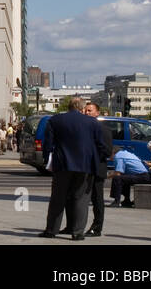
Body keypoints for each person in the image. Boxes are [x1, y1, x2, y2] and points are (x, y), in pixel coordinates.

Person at [40, 96, 108, 240]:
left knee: (58, 198)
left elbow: (47, 144)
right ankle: (77, 232)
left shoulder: (55, 120)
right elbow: (101, 145)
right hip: (85, 165)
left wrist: (47, 159)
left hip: (62, 164)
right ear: (82, 108)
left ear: (68, 106)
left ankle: (51, 230)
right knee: (82, 198)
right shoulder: (92, 123)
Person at [63, 101, 113, 236]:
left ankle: (97, 227)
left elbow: (107, 151)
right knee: (74, 197)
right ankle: (72, 225)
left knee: (97, 200)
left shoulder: (103, 129)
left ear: (97, 113)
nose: (86, 112)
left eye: (90, 110)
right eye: (85, 110)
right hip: (80, 169)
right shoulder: (81, 127)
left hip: (96, 169)